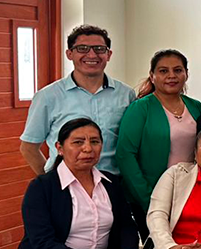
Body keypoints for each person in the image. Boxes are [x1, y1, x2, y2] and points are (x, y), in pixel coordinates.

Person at [3, 118, 144, 249]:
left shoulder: (110, 183)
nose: (87, 148)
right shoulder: (42, 187)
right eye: (78, 142)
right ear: (59, 148)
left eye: (95, 142)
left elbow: (126, 226)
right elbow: (42, 243)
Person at [21, 25, 135, 176]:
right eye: (82, 49)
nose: (92, 55)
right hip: (65, 183)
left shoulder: (126, 94)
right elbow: (29, 147)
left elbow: (133, 145)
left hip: (113, 183)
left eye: (99, 49)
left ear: (109, 54)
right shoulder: (48, 96)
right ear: (69, 54)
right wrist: (49, 182)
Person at [116, 49, 201, 237]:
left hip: (189, 193)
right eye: (163, 71)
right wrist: (148, 198)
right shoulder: (140, 108)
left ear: (186, 74)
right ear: (152, 76)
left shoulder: (195, 106)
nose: (171, 76)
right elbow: (125, 155)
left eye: (178, 70)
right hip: (150, 193)